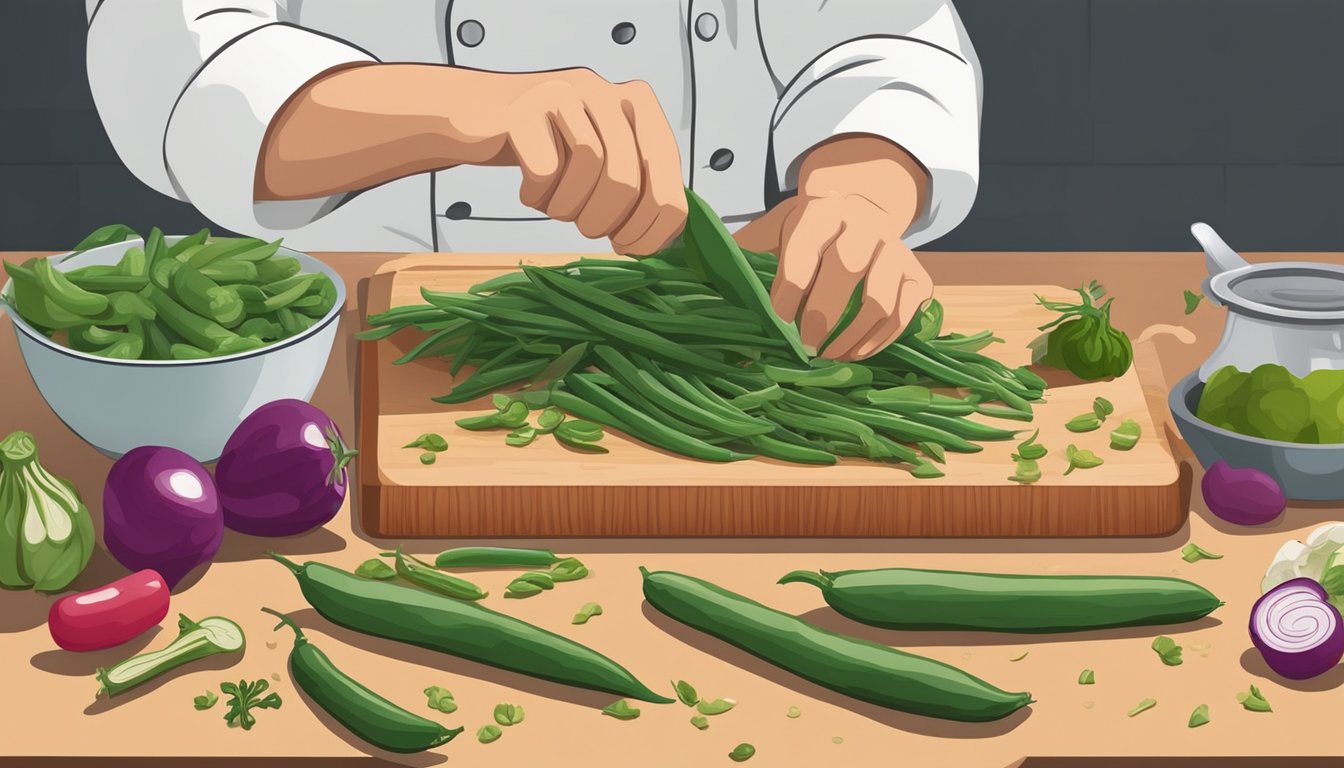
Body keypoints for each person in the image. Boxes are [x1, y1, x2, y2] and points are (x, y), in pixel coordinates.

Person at [85, 1, 982, 360]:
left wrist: (859, 194)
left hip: (732, 324)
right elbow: (175, 63)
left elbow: (883, 37)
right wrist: (467, 114)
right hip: (372, 345)